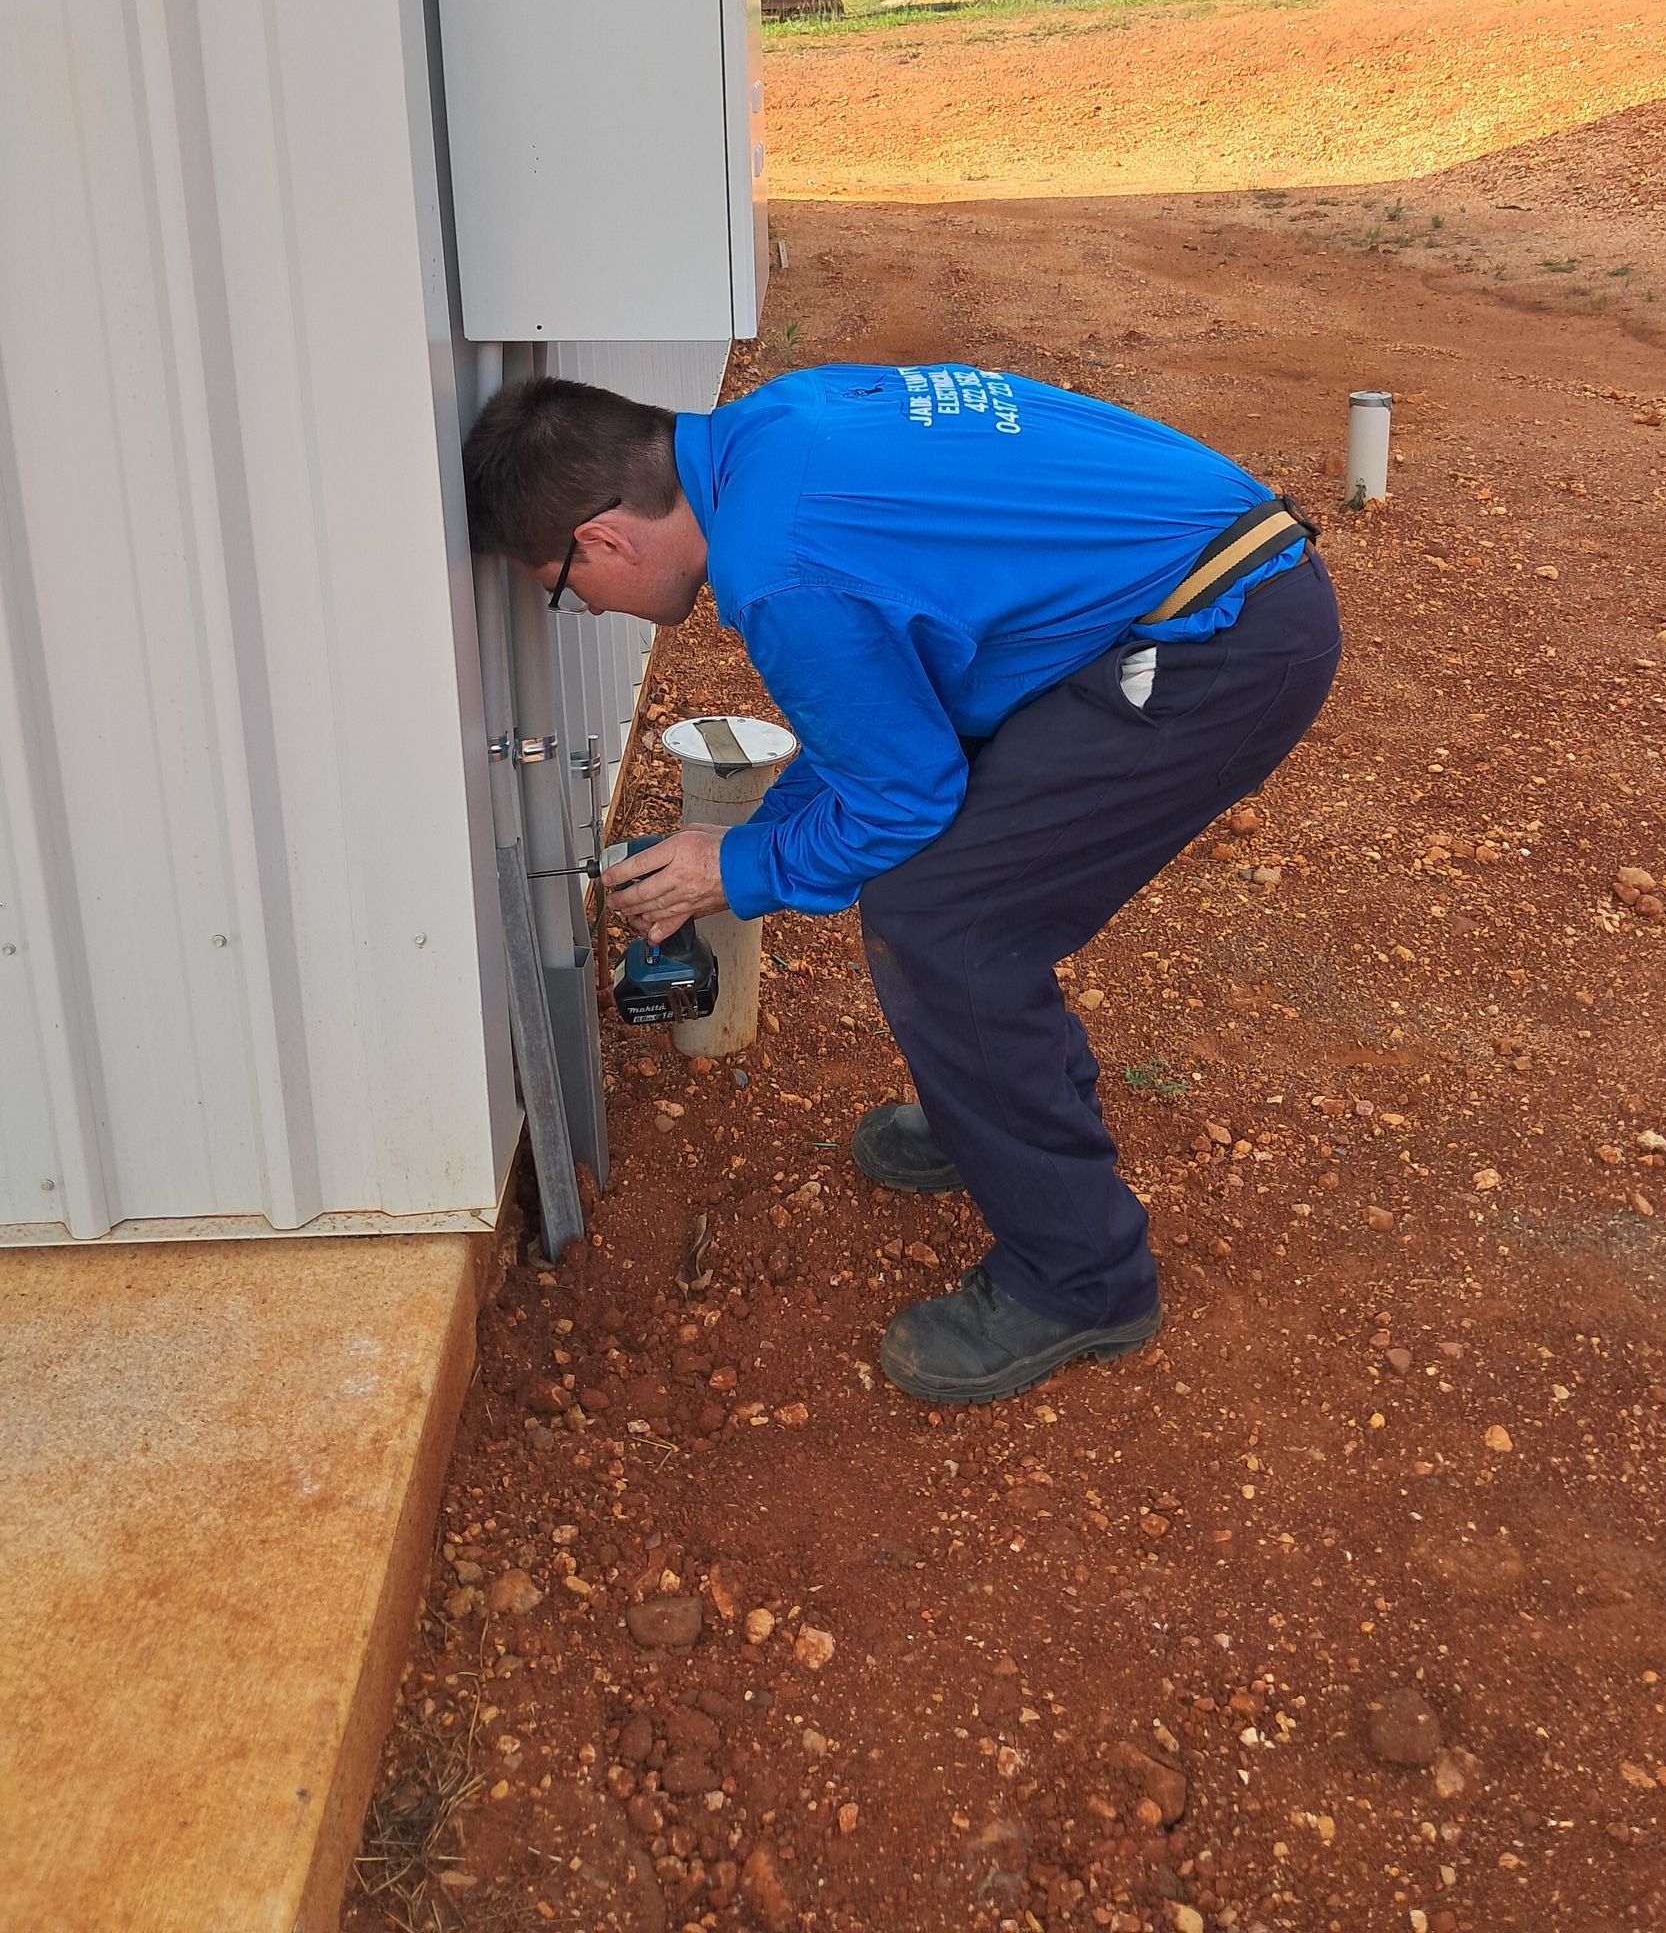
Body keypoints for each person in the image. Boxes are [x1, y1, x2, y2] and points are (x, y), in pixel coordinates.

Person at [463, 364, 1341, 1405]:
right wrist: (733, 855)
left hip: (1216, 637)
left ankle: (1083, 1277)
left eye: (559, 586)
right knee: (945, 892)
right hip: (1186, 587)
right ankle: (993, 1124)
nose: (584, 609)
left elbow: (904, 798)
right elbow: (882, 735)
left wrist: (734, 868)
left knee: (951, 921)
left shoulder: (776, 569)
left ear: (604, 538)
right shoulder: (768, 435)